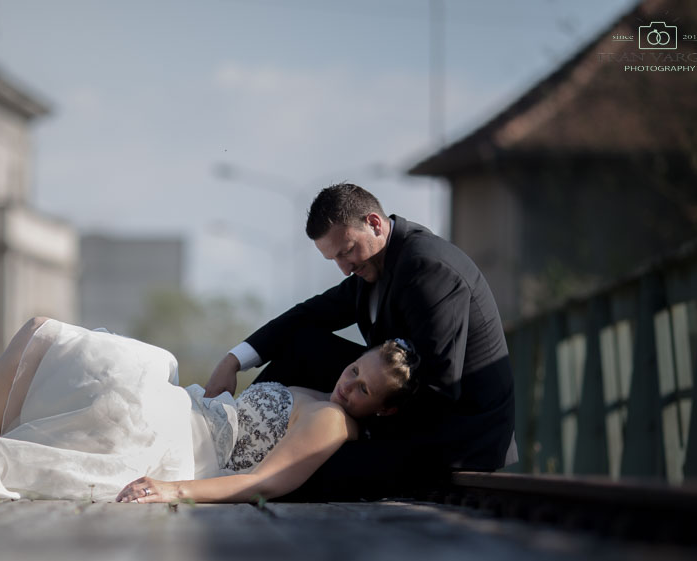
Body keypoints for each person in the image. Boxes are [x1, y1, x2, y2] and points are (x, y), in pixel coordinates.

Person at [0, 316, 420, 504]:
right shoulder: (319, 388)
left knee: (7, 402)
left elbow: (264, 480)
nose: (349, 388)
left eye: (365, 392)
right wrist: (231, 369)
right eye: (354, 371)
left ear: (382, 414)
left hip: (177, 443)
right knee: (1, 408)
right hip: (181, 411)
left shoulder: (334, 424)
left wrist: (175, 491)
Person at [203, 183, 516, 500]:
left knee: (304, 471)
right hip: (399, 407)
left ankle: (244, 469)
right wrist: (233, 361)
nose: (344, 269)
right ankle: (238, 438)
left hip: (453, 434)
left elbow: (439, 388)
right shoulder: (374, 264)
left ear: (374, 224)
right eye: (334, 259)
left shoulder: (427, 267)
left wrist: (350, 429)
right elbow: (306, 315)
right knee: (304, 344)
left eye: (346, 251)